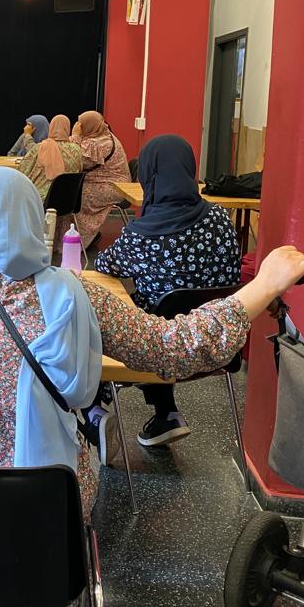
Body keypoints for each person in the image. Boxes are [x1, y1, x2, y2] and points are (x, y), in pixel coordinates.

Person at [0, 166, 304, 522]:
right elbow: (173, 347)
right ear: (33, 222)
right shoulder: (71, 295)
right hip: (42, 503)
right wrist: (261, 287)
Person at [93, 134, 241, 446]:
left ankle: (94, 411)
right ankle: (165, 413)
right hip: (220, 339)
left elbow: (105, 265)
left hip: (158, 346)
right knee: (165, 309)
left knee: (109, 319)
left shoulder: (141, 234)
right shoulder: (220, 219)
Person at [70, 110, 131, 249]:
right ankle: (84, 236)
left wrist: (75, 135)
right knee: (72, 191)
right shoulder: (99, 136)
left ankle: (81, 240)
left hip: (114, 187)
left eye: (81, 124)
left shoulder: (102, 143)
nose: (79, 126)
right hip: (103, 182)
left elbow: (76, 159)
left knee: (75, 196)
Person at [18, 114, 83, 201]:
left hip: (41, 198)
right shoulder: (77, 149)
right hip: (68, 199)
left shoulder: (40, 147)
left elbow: (22, 171)